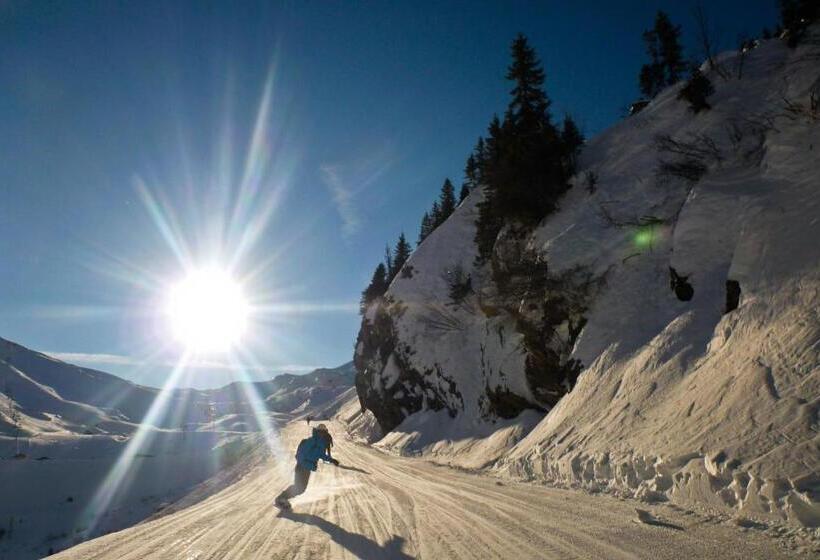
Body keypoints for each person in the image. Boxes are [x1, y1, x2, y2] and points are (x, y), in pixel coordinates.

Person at [275, 424, 339, 510]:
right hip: (302, 467)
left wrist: (331, 460)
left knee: (301, 489)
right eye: (322, 432)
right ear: (318, 432)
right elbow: (300, 455)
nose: (323, 434)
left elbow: (321, 455)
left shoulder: (320, 444)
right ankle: (281, 498)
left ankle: (282, 498)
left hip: (307, 468)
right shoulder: (311, 441)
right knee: (299, 488)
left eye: (324, 433)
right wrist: (304, 463)